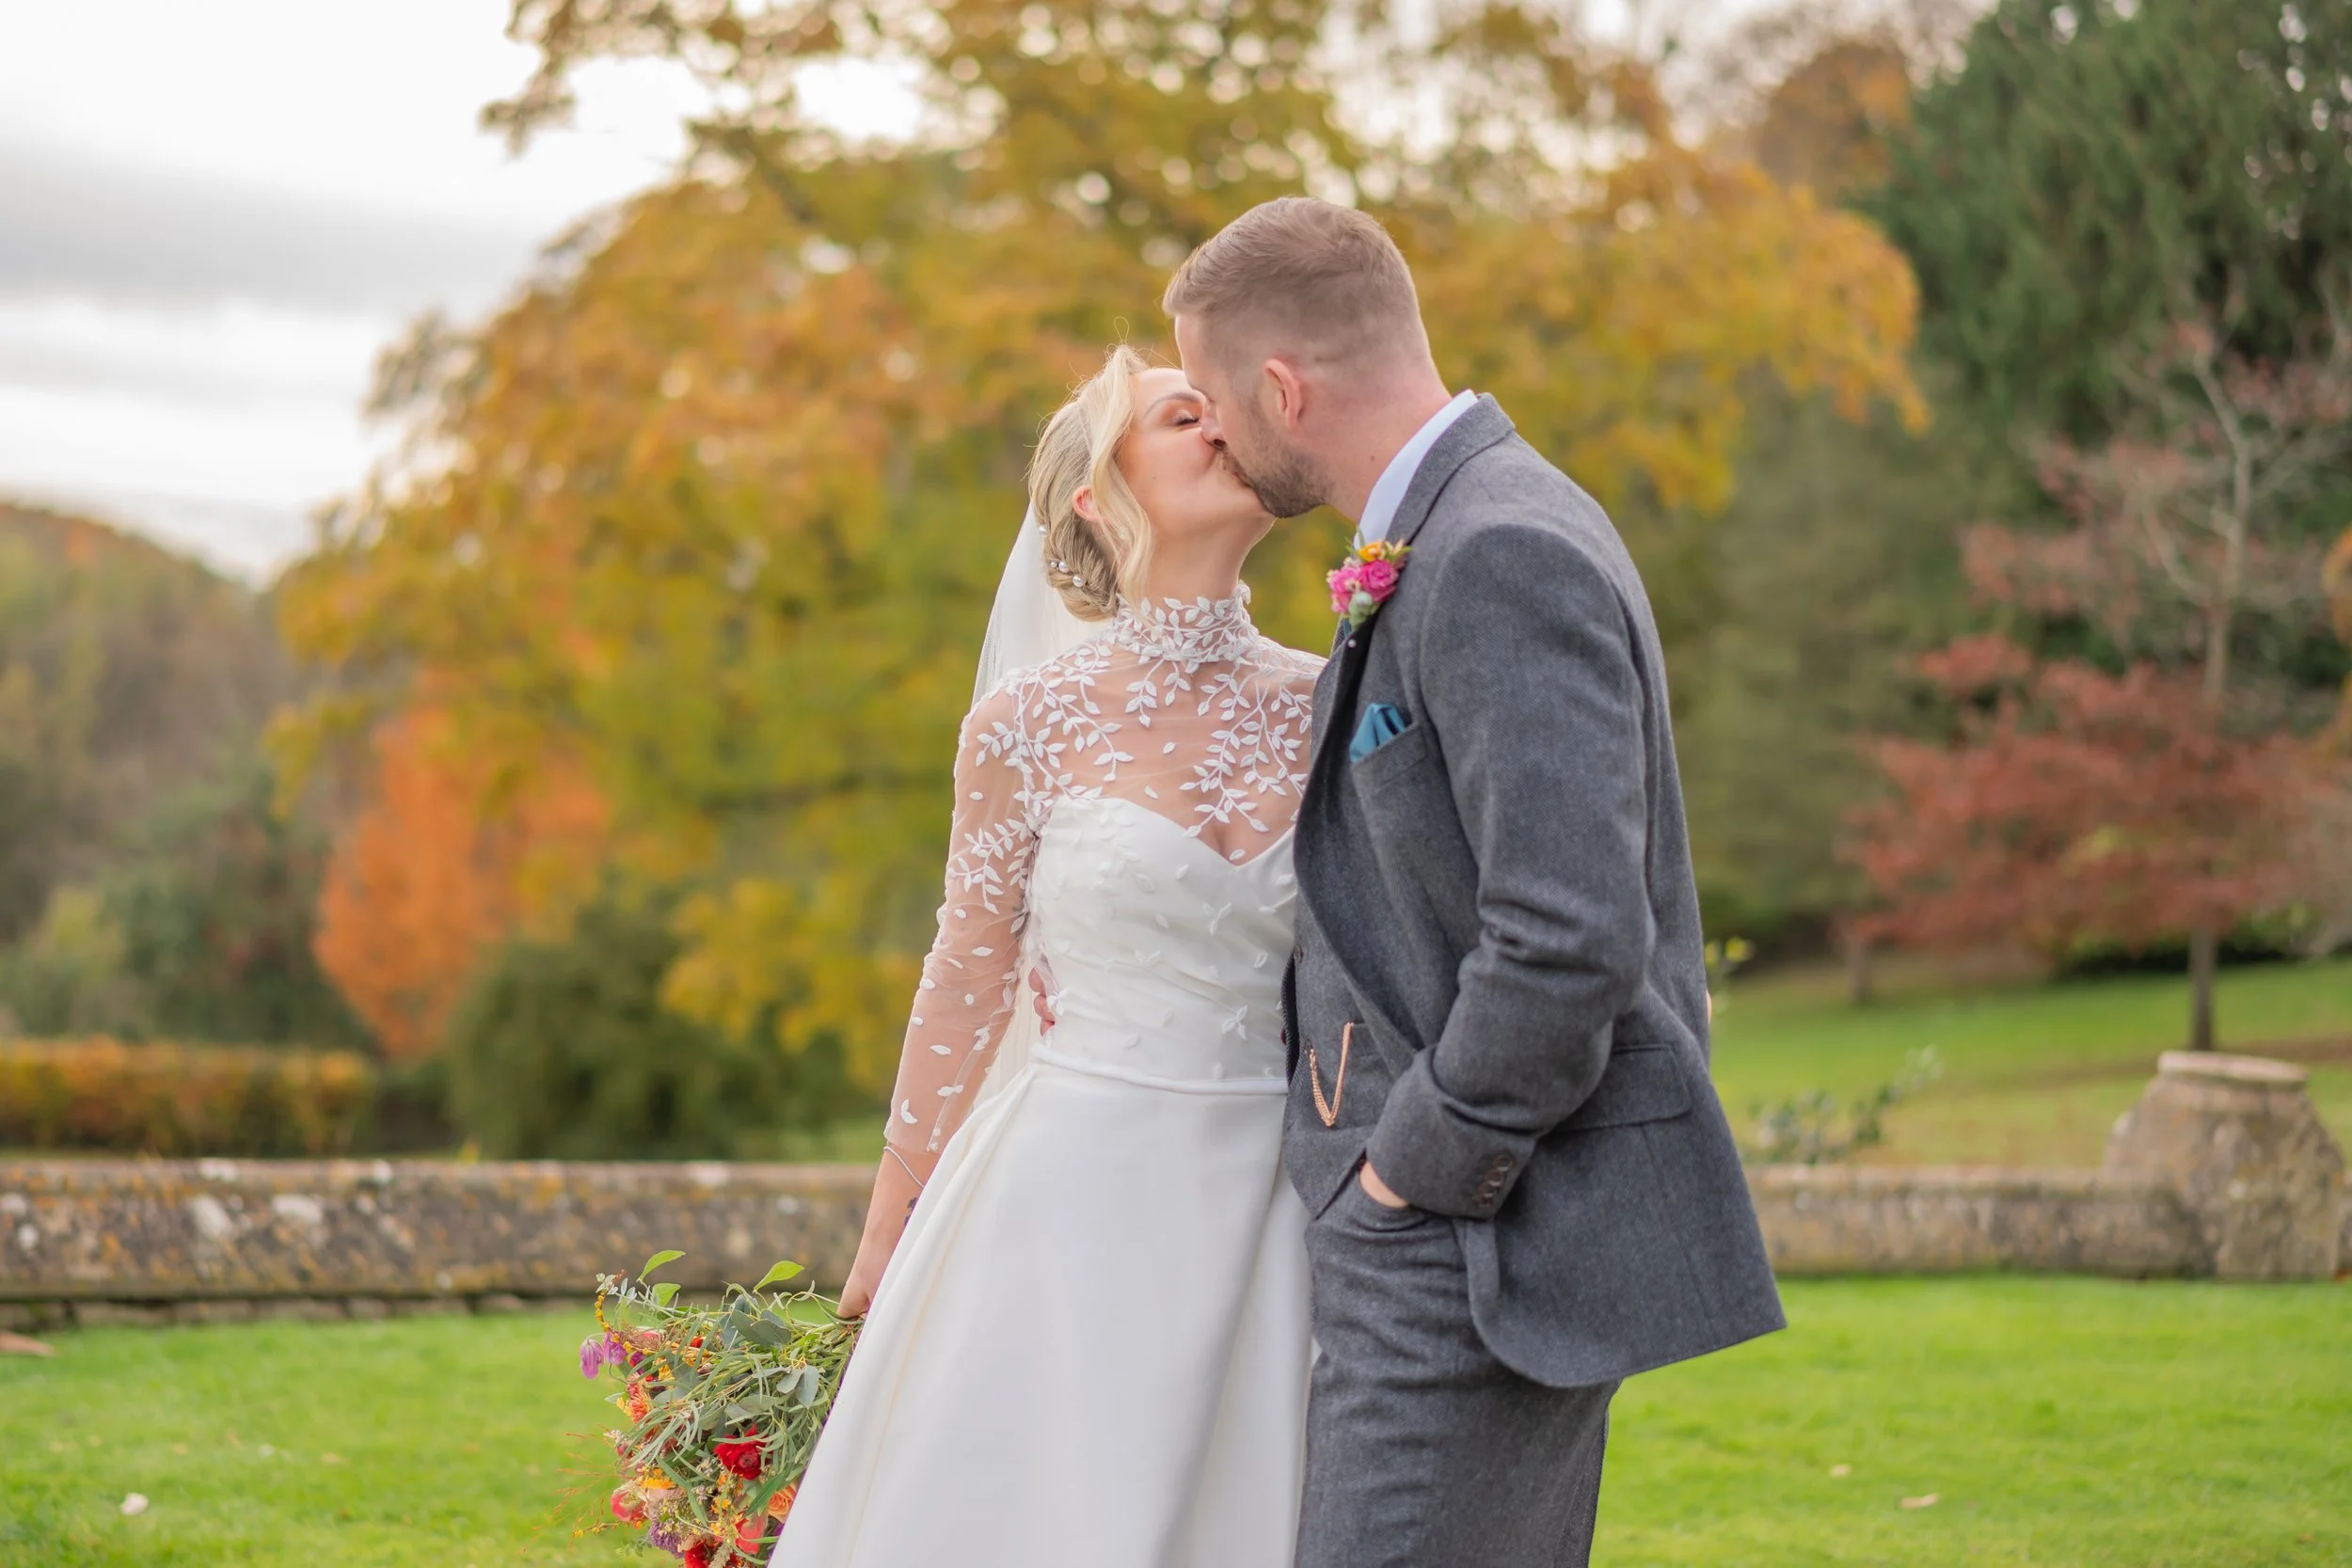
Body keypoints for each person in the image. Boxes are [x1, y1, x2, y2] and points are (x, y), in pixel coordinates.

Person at [1165, 196, 1785, 1568]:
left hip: (1470, 1241)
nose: (1212, 433)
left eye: (1215, 399)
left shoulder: (1496, 550)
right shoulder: (1461, 526)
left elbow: (1569, 939)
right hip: (1440, 1238)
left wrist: (1410, 1172)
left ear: (1284, 389)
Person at [771, 344, 1323, 1568]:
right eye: (1181, 415)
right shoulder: (1027, 722)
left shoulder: (1333, 703)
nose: (1221, 425)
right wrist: (888, 1228)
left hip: (1281, 1201)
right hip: (1073, 1190)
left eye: (1225, 407)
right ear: (1099, 494)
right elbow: (966, 978)